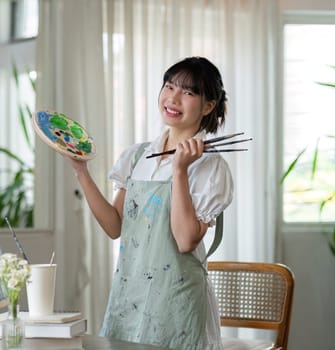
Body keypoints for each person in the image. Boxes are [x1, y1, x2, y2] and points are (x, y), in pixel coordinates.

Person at [66, 56, 233, 349]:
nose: (174, 98)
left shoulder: (210, 166)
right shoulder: (136, 155)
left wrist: (180, 170)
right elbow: (115, 226)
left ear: (208, 106)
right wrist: (82, 172)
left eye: (188, 92)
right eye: (169, 87)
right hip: (130, 294)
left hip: (178, 300)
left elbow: (185, 241)